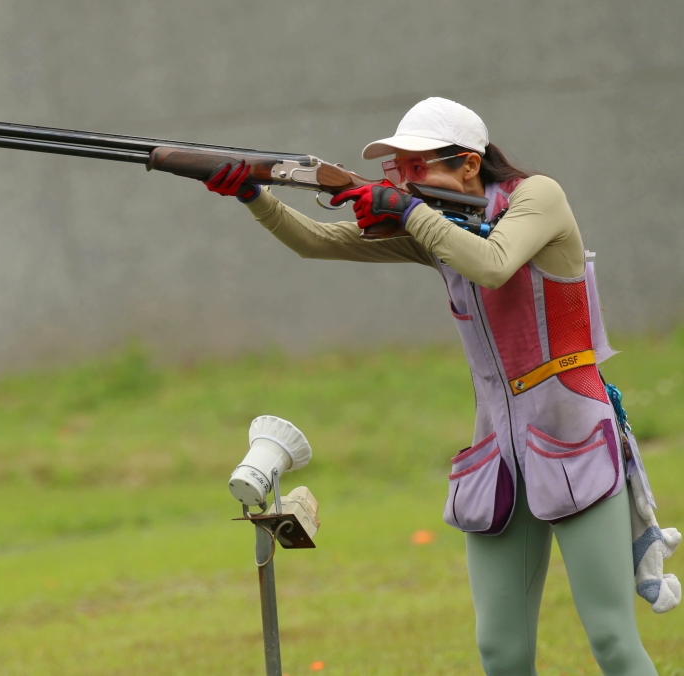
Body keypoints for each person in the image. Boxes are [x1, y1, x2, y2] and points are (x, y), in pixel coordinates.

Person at [203, 97, 660, 675]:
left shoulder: (537, 196)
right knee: (501, 650)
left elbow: (493, 263)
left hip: (574, 439)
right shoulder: (440, 225)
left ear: (469, 165)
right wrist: (254, 195)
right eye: (400, 171)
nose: (405, 181)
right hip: (497, 451)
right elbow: (317, 240)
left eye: (418, 167)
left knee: (613, 641)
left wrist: (408, 210)